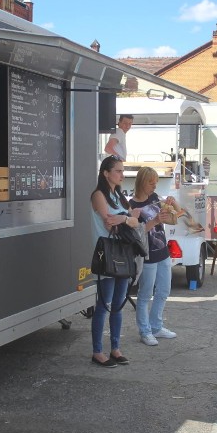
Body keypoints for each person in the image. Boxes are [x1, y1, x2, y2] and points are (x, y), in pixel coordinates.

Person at [90, 156, 141, 367]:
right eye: (118, 171)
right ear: (106, 173)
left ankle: (115, 348)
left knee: (118, 304)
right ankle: (97, 351)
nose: (122, 174)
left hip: (123, 252)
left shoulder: (120, 196)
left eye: (122, 171)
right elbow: (109, 224)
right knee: (104, 304)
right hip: (107, 253)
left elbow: (135, 222)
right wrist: (125, 219)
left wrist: (123, 219)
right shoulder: (98, 195)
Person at [130, 167, 179, 346]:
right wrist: (155, 220)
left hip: (163, 252)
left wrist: (173, 206)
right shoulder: (133, 206)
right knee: (145, 294)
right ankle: (145, 331)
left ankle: (156, 326)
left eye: (155, 182)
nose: (154, 186)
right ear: (142, 182)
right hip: (147, 255)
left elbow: (175, 219)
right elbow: (136, 233)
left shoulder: (155, 198)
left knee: (164, 290)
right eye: (151, 182)